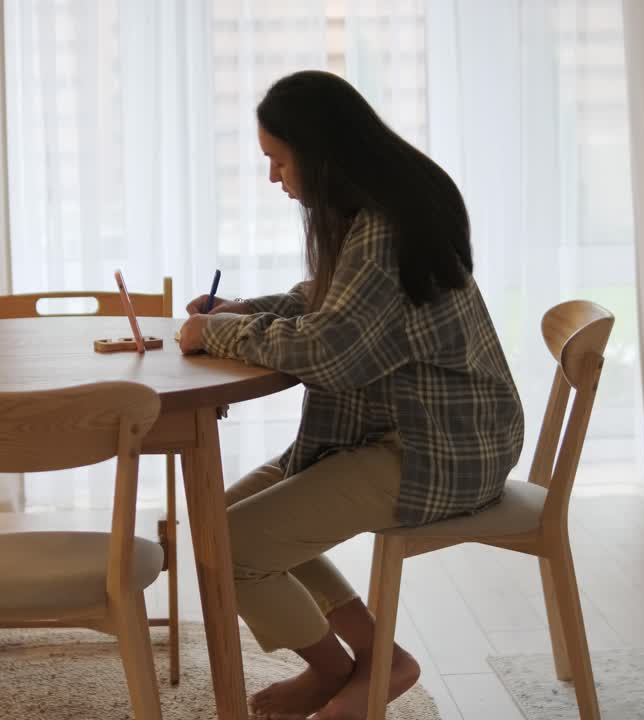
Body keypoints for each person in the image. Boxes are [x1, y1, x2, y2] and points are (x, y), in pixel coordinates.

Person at [177, 70, 524, 720]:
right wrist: (244, 310)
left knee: (235, 548)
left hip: (438, 449)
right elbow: (326, 305)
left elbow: (327, 352)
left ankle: (336, 672)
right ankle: (374, 661)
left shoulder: (385, 231)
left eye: (280, 160)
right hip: (401, 433)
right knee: (214, 528)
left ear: (319, 154)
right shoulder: (374, 216)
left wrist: (217, 331)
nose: (274, 177)